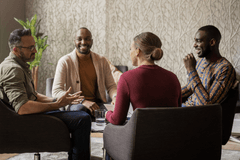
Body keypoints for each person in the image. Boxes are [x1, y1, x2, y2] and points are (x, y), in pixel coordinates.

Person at [0, 29, 91, 160]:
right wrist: (56, 105)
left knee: (80, 115)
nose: (35, 51)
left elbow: (33, 95)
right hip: (24, 121)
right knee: (82, 119)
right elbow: (22, 108)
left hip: (27, 115)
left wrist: (58, 100)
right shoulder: (13, 69)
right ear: (15, 50)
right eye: (31, 47)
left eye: (34, 46)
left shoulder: (19, 65)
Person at [105, 32, 182, 125]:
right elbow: (178, 114)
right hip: (171, 137)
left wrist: (107, 113)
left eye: (130, 49)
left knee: (109, 129)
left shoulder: (127, 78)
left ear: (138, 51)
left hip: (142, 137)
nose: (130, 53)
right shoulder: (173, 77)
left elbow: (117, 120)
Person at [52, 27, 117, 115]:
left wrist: (115, 97)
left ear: (92, 41)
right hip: (75, 104)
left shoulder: (102, 61)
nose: (83, 42)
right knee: (82, 110)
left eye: (87, 39)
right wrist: (82, 101)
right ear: (74, 41)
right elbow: (56, 92)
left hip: (98, 104)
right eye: (79, 39)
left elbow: (111, 86)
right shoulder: (64, 61)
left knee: (115, 114)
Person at [182, 25, 236, 107]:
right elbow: (190, 88)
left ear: (212, 42)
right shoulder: (200, 61)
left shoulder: (225, 68)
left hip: (198, 115)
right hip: (186, 107)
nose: (194, 45)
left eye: (199, 41)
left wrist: (191, 70)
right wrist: (168, 95)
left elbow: (207, 104)